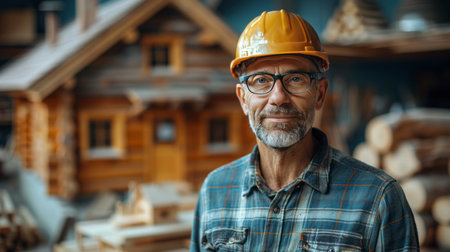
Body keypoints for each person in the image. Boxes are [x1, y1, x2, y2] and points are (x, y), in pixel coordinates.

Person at [191, 10, 419, 251]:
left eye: (296, 79)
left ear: (319, 94)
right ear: (243, 100)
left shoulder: (378, 199)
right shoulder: (214, 191)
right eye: (260, 81)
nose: (278, 98)